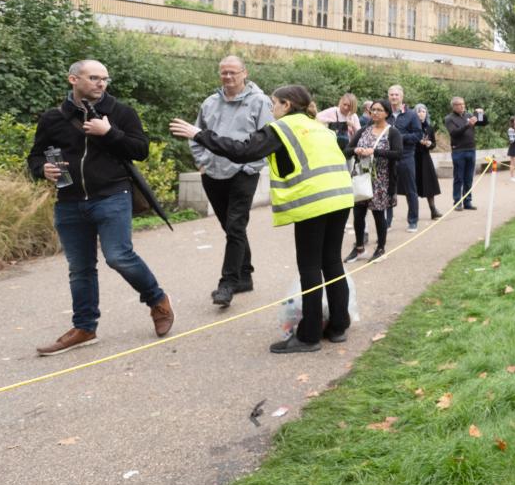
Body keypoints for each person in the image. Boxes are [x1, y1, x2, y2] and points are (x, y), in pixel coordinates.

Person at [171, 84, 353, 353]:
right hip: (340, 197)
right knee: (332, 262)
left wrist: (199, 134)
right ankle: (338, 326)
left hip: (314, 202)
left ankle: (309, 336)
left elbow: (241, 151)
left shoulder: (281, 129)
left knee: (310, 267)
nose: (271, 109)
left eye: (274, 103)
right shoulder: (318, 126)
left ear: (287, 105)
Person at [28, 59, 173, 355]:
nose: (101, 83)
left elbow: (140, 150)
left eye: (105, 79)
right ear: (73, 80)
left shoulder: (120, 112)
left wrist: (109, 133)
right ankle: (84, 327)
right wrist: (42, 168)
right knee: (79, 268)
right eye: (94, 78)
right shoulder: (53, 118)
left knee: (118, 256)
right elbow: (34, 156)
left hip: (111, 195)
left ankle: (157, 299)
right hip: (69, 201)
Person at [190, 55, 273, 308]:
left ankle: (227, 284)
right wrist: (202, 161)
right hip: (212, 173)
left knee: (236, 226)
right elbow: (196, 134)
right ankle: (244, 275)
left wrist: (250, 167)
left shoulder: (260, 102)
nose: (227, 77)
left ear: (244, 73)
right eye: (223, 72)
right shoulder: (210, 102)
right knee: (231, 226)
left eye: (233, 72)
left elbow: (267, 139)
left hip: (242, 174)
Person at [351, 100, 403, 258]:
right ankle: (359, 248)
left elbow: (398, 153)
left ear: (387, 113)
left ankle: (380, 248)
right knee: (358, 213)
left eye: (379, 110)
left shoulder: (392, 132)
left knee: (378, 214)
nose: (375, 113)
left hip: (382, 180)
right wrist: (356, 149)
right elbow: (347, 149)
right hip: (362, 177)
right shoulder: (363, 131)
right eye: (373, 110)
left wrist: (374, 151)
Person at [386, 84, 423, 231]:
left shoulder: (412, 114)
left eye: (397, 95)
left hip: (406, 156)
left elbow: (418, 135)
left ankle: (413, 221)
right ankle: (387, 222)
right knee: (388, 190)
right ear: (388, 96)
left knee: (410, 190)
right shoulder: (385, 113)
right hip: (388, 157)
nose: (394, 97)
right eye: (391, 95)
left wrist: (399, 138)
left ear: (402, 97)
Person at [444, 96, 479, 209]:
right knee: (459, 177)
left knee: (469, 177)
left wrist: (481, 114)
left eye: (463, 104)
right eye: (460, 104)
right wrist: (467, 125)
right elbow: (454, 133)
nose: (462, 106)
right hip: (458, 151)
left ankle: (467, 201)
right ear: (454, 106)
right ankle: (457, 202)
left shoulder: (469, 116)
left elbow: (484, 122)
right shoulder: (449, 118)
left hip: (471, 149)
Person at [413, 102, 443, 220]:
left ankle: (433, 210)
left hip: (425, 159)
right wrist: (417, 142)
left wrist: (430, 144)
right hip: (414, 158)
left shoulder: (429, 128)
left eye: (424, 111)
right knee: (413, 187)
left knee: (429, 185)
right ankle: (413, 213)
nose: (421, 114)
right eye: (419, 111)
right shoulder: (412, 127)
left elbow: (433, 143)